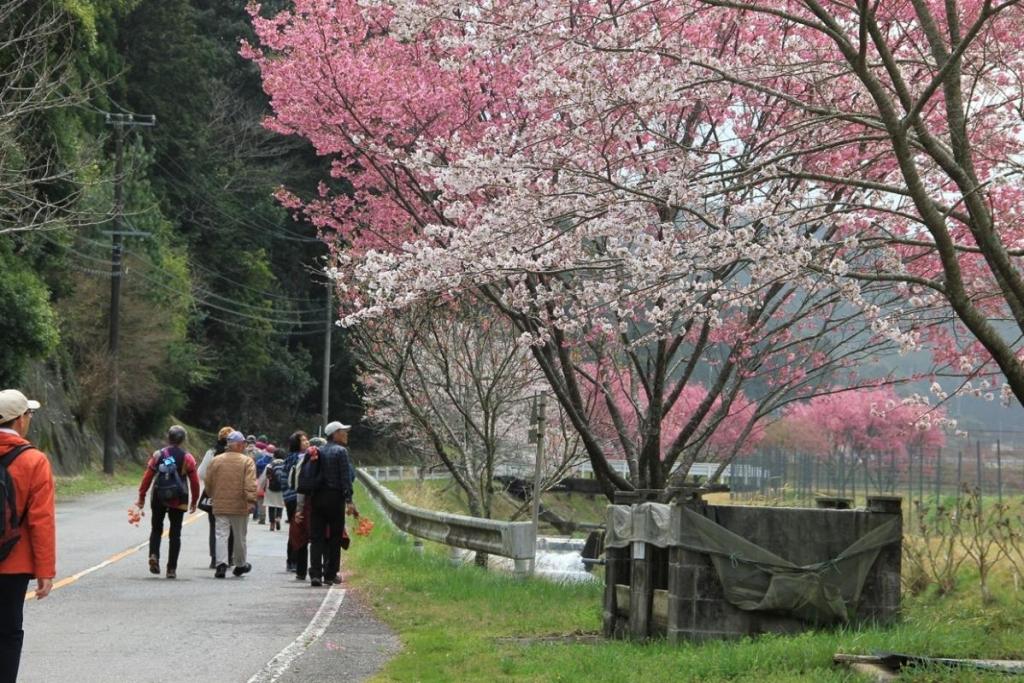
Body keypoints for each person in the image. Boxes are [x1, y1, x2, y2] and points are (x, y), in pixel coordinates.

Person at [0, 390, 55, 682]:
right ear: (20, 419)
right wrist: (45, 571)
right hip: (14, 563)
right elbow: (41, 520)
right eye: (29, 414)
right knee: (8, 632)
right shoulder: (33, 460)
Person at [135, 425, 200, 579]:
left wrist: (142, 496)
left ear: (168, 438)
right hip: (179, 497)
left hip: (159, 496)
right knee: (175, 534)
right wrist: (195, 500)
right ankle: (171, 569)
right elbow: (195, 481)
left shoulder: (159, 455)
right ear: (183, 440)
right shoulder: (187, 457)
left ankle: (154, 555)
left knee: (156, 529)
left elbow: (147, 477)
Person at [307, 422, 355, 587]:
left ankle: (315, 574)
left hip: (317, 498)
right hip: (335, 498)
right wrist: (349, 500)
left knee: (317, 538)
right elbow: (345, 477)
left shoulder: (318, 451)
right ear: (335, 434)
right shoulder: (341, 451)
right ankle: (329, 574)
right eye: (343, 432)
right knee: (335, 538)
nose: (346, 434)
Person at [204, 431, 257, 578]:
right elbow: (250, 483)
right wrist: (251, 500)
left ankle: (221, 565)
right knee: (240, 536)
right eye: (244, 444)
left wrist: (212, 494)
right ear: (240, 445)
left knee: (221, 534)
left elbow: (208, 481)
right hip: (240, 506)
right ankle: (240, 564)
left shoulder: (216, 460)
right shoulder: (247, 461)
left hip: (220, 503)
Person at [197, 426, 233, 569]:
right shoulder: (237, 454)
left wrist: (211, 481)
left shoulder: (212, 452)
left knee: (215, 527)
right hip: (232, 493)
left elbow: (201, 473)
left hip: (214, 493)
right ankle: (228, 557)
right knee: (231, 526)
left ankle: (214, 558)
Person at [259, 446, 285, 531]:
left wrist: (260, 487)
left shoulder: (269, 465)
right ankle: (278, 518)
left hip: (270, 489)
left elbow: (263, 478)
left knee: (271, 506)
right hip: (282, 489)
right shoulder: (285, 465)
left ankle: (272, 524)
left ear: (274, 455)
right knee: (280, 505)